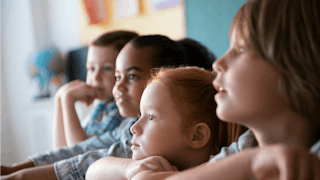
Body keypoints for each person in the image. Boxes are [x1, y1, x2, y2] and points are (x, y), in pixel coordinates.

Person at [0, 35, 218, 180]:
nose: (117, 85)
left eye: (131, 76)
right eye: (116, 76)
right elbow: (87, 159)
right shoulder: (133, 132)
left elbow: (84, 152)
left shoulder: (218, 161)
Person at [166, 0, 320, 179]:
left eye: (242, 48)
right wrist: (249, 164)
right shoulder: (246, 148)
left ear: (300, 66)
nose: (217, 64)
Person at [86, 66, 238, 180]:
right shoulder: (144, 157)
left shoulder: (220, 170)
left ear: (196, 136)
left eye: (151, 117)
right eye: (140, 116)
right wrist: (128, 168)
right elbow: (91, 172)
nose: (134, 128)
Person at [52, 30, 138, 149]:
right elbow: (61, 151)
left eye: (107, 68)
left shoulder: (121, 111)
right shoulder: (102, 106)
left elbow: (78, 152)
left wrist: (68, 100)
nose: (95, 77)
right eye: (91, 68)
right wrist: (59, 98)